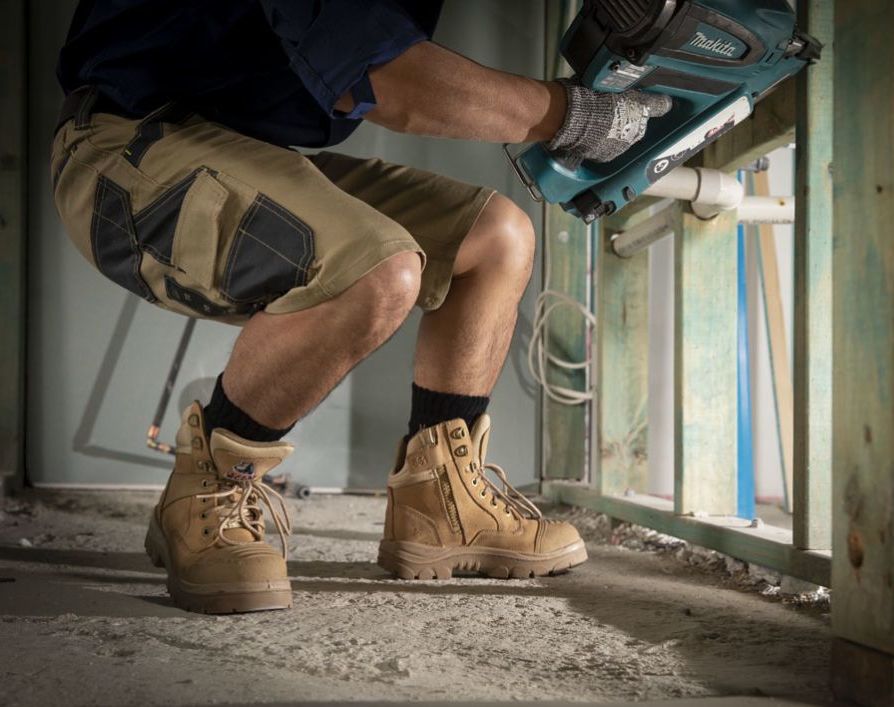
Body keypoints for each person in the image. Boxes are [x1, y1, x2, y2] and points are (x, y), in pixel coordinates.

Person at [52, 0, 672, 614]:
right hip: (124, 151)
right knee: (379, 269)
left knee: (496, 237)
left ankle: (440, 505)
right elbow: (387, 80)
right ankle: (207, 488)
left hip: (245, 153)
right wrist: (572, 115)